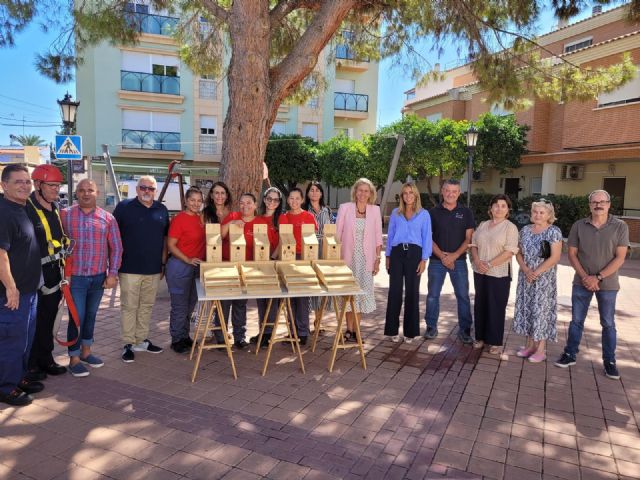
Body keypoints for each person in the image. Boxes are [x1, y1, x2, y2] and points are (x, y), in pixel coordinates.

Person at [555, 190, 629, 380]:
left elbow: (620, 257)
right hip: (581, 282)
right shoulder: (579, 225)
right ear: (589, 205)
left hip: (608, 284)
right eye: (594, 202)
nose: (598, 205)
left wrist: (598, 277)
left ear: (609, 204)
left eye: (602, 201)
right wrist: (586, 277)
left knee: (608, 323)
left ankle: (610, 362)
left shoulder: (620, 226)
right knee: (576, 321)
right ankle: (570, 354)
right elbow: (571, 254)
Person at [61, 178, 122, 377]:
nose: (86, 193)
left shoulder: (108, 218)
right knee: (76, 318)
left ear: (97, 193)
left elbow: (117, 248)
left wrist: (112, 274)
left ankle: (87, 352)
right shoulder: (65, 216)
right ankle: (74, 358)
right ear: (76, 193)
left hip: (98, 278)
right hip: (75, 278)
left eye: (90, 190)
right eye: (82, 190)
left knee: (91, 316)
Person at [0, 165, 44, 406]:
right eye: (18, 181)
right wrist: (10, 287)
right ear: (4, 185)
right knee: (11, 341)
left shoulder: (23, 207)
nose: (25, 185)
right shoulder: (4, 212)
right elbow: (1, 254)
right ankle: (6, 388)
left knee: (24, 339)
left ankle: (18, 378)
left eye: (27, 181)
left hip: (29, 290)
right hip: (12, 295)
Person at [113, 176, 169, 363]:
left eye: (151, 189)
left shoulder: (161, 210)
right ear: (137, 189)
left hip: (153, 269)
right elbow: (112, 236)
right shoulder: (124, 207)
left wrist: (162, 265)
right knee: (129, 306)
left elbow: (165, 241)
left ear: (155, 191)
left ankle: (141, 340)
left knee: (146, 306)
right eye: (143, 188)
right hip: (129, 268)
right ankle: (128, 343)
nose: (147, 191)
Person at [25, 164, 70, 380]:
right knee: (30, 322)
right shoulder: (26, 208)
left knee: (48, 319)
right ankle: (30, 364)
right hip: (33, 275)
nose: (56, 190)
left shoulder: (54, 207)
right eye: (51, 185)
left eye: (58, 185)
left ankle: (45, 359)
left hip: (53, 273)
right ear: (38, 185)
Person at [424, 179, 476, 344]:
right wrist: (443, 257)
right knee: (433, 295)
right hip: (436, 261)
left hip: (459, 261)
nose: (450, 194)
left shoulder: (466, 212)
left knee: (463, 296)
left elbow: (469, 239)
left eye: (454, 191)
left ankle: (465, 330)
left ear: (459, 193)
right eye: (447, 191)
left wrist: (453, 256)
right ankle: (431, 327)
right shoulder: (432, 212)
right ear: (442, 191)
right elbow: (428, 238)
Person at [513, 200, 563, 363]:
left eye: (542, 212)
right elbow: (518, 252)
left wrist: (536, 272)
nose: (538, 215)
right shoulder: (525, 230)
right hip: (525, 277)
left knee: (540, 311)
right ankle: (529, 346)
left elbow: (555, 257)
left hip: (543, 280)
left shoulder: (553, 231)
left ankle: (540, 350)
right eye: (535, 212)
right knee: (527, 309)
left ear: (549, 215)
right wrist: (526, 270)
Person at [470, 194, 519, 355]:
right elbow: (474, 244)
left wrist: (489, 264)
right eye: (496, 205)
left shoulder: (510, 227)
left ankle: (495, 342)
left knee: (496, 307)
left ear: (508, 210)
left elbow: (510, 251)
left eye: (503, 206)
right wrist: (477, 261)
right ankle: (480, 337)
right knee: (480, 305)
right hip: (480, 272)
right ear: (490, 208)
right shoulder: (483, 225)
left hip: (499, 274)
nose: (499, 208)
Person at [335, 178, 383, 342]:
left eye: (366, 191)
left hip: (366, 259)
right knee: (348, 294)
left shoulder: (375, 210)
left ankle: (356, 330)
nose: (363, 193)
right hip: (347, 259)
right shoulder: (345, 208)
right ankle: (349, 330)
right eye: (360, 190)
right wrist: (336, 260)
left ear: (371, 194)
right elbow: (337, 234)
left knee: (361, 295)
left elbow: (378, 237)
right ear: (355, 191)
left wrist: (377, 259)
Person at [384, 182, 432, 342]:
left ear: (416, 195)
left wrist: (424, 259)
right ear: (402, 196)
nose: (408, 196)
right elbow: (390, 236)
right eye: (405, 193)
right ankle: (392, 331)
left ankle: (410, 332)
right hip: (397, 253)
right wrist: (388, 257)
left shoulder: (424, 214)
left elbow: (427, 237)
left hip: (415, 254)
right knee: (395, 291)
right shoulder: (395, 213)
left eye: (411, 192)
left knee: (412, 292)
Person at [220, 193, 268, 348]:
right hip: (228, 266)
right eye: (241, 203)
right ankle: (221, 337)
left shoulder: (260, 222)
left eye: (248, 203)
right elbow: (219, 236)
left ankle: (239, 336)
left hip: (247, 269)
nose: (245, 206)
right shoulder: (233, 216)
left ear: (255, 205)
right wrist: (232, 222)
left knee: (240, 303)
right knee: (224, 303)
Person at [166, 187, 206, 354]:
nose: (196, 203)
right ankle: (176, 339)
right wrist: (187, 259)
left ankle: (185, 336)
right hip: (180, 266)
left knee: (190, 304)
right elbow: (171, 245)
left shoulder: (201, 219)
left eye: (199, 200)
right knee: (180, 305)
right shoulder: (179, 219)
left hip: (197, 267)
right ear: (186, 201)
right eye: (192, 200)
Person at [279, 187, 318, 345]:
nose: (294, 201)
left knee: (302, 296)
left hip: (303, 259)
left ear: (302, 200)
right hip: (288, 258)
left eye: (297, 198)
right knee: (290, 296)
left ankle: (302, 332)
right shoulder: (284, 216)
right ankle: (292, 331)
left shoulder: (308, 216)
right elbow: (283, 237)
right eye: (291, 198)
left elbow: (312, 238)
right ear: (288, 200)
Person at [250, 186, 283, 347]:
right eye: (269, 199)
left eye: (276, 199)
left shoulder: (282, 219)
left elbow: (283, 241)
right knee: (261, 299)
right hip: (259, 264)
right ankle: (262, 331)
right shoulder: (257, 219)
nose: (272, 202)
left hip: (274, 263)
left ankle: (269, 334)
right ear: (264, 200)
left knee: (272, 299)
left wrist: (272, 257)